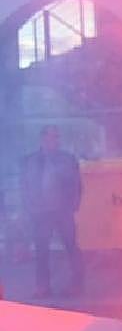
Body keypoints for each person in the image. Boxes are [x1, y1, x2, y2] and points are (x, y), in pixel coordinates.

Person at [21, 125, 83, 297]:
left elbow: (77, 185)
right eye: (50, 137)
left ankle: (77, 285)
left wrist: (73, 206)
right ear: (42, 139)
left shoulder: (67, 159)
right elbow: (24, 185)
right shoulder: (29, 160)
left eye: (56, 137)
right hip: (40, 213)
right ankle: (43, 287)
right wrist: (29, 207)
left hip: (63, 211)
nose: (54, 140)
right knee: (41, 251)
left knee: (71, 247)